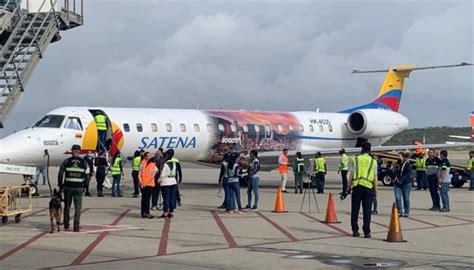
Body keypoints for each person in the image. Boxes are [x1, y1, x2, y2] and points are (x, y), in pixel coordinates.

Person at [347, 142, 377, 238]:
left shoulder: (355, 159)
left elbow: (351, 174)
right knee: (367, 211)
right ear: (370, 150)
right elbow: (375, 178)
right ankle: (366, 231)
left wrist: (348, 186)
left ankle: (355, 230)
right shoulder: (373, 162)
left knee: (355, 210)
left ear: (362, 149)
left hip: (357, 187)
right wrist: (375, 190)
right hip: (368, 188)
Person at [57, 145, 87, 232]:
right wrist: (85, 186)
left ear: (72, 151)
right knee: (78, 207)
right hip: (78, 188)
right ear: (79, 151)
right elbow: (87, 174)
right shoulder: (83, 162)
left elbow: (60, 173)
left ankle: (66, 224)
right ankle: (76, 226)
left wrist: (60, 184)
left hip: (68, 187)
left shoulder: (67, 161)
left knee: (67, 206)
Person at [158, 149, 178, 218]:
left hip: (166, 182)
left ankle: (165, 212)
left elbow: (163, 174)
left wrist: (159, 180)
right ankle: (171, 212)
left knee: (166, 198)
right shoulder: (174, 164)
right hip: (173, 181)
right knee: (172, 198)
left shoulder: (165, 164)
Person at [139, 152, 158, 219]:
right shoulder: (142, 163)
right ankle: (145, 212)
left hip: (149, 184)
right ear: (145, 157)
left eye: (150, 155)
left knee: (147, 199)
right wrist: (141, 183)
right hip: (144, 184)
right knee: (144, 199)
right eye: (148, 156)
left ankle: (145, 212)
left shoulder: (153, 164)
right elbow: (139, 174)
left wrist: (145, 183)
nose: (150, 157)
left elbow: (153, 175)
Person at [394, 152, 412, 217]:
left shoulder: (407, 164)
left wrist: (401, 180)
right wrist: (395, 177)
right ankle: (399, 211)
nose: (398, 157)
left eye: (399, 156)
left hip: (406, 184)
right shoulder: (397, 164)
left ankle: (406, 211)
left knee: (406, 198)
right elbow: (395, 172)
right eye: (397, 156)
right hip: (397, 184)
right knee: (397, 197)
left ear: (403, 157)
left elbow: (408, 174)